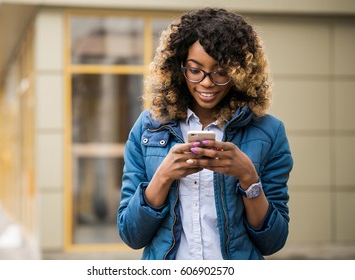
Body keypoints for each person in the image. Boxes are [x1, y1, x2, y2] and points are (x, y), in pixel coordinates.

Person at [117, 7, 293, 260]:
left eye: (220, 72)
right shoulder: (148, 126)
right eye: (195, 69)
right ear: (179, 68)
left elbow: (273, 241)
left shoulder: (269, 132)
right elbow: (131, 234)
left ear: (240, 73)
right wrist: (163, 176)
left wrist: (248, 177)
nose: (207, 82)